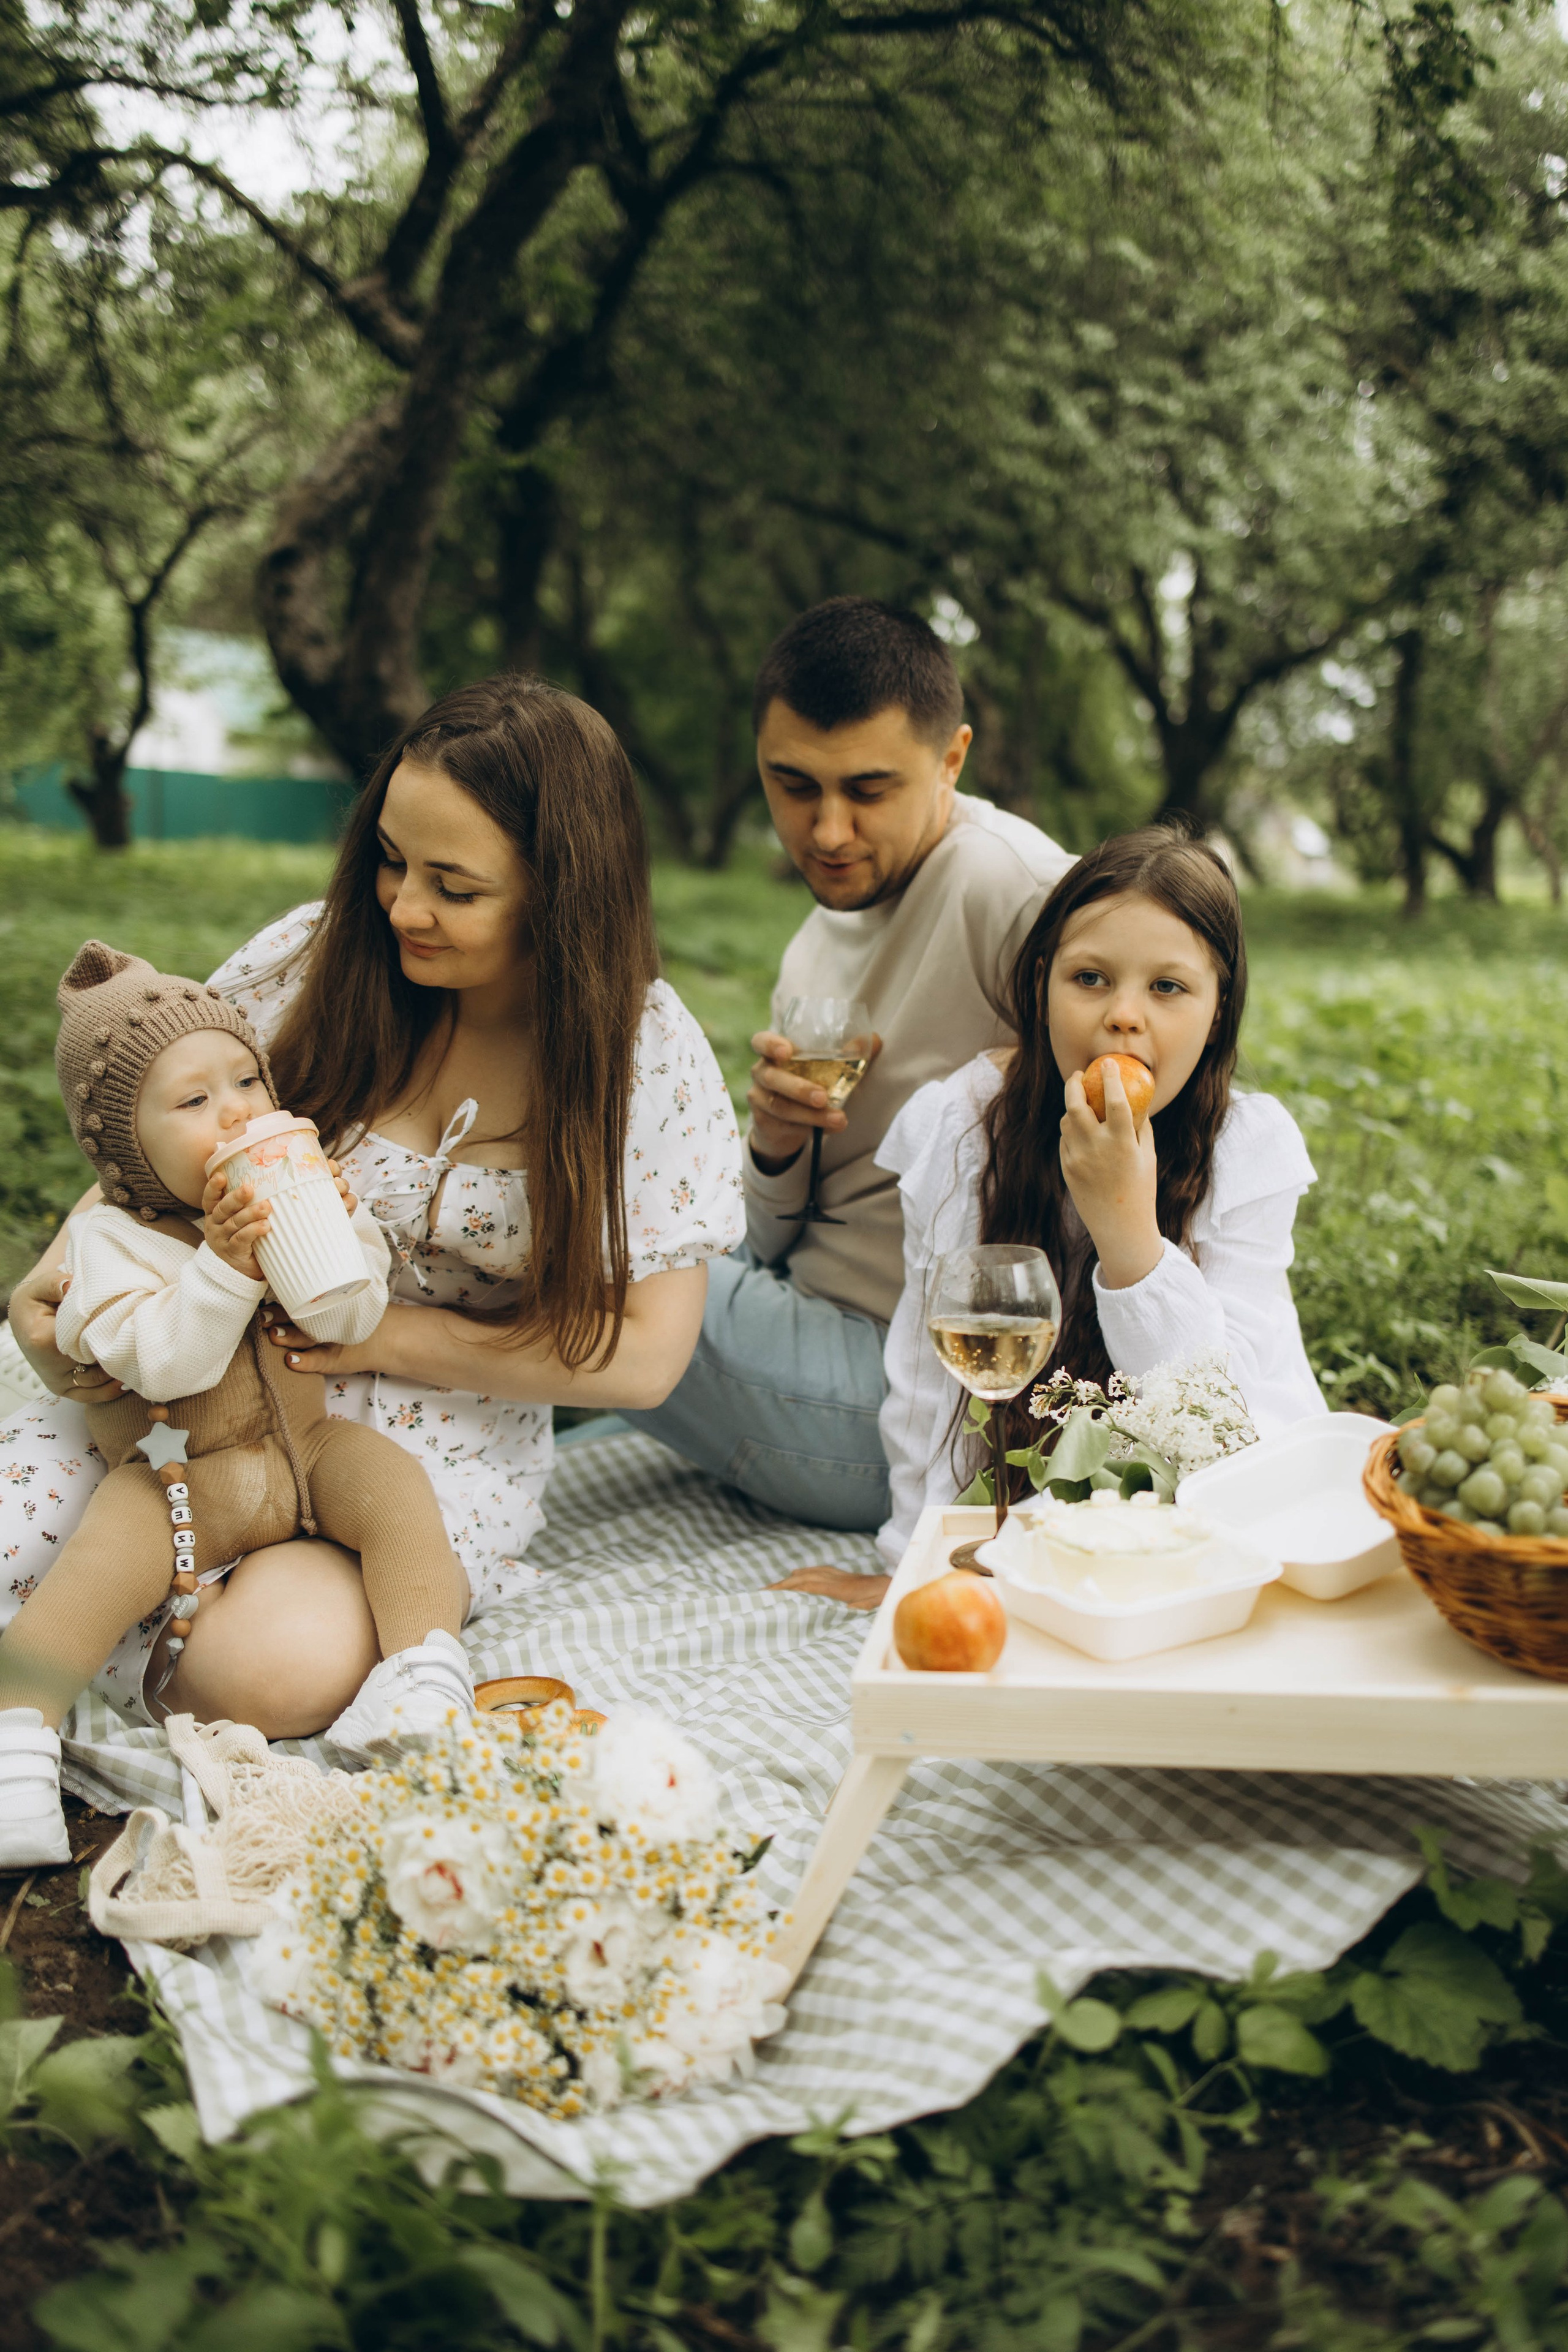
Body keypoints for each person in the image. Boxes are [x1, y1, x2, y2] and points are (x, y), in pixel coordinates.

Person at [1, 676, 744, 1746]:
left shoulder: (643, 1056)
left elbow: (644, 1359)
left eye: (454, 884)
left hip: (441, 1427)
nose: (400, 905)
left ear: (562, 891)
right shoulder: (312, 959)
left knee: (262, 1672)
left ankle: (135, 1647)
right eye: (391, 859)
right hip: (203, 1376)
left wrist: (382, 1334)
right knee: (21, 1523)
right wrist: (52, 1278)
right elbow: (153, 1132)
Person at [0, 941, 475, 1868]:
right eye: (193, 1102)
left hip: (307, 1453)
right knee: (96, 1569)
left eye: (247, 1080)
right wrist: (222, 1263)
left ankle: (422, 1678)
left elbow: (350, 1315)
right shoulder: (109, 1243)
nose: (237, 1112)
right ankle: (18, 1735)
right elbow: (162, 1363)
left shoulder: (276, 1195)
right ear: (125, 1147)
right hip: (182, 1477)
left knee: (396, 1487)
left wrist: (345, 1238)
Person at [624, 598, 1072, 1534]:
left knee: (559, 1235)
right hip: (802, 1304)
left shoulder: (1015, 890)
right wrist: (780, 1146)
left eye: (868, 792)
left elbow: (1172, 1126)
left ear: (952, 760)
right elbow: (773, 1241)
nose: (827, 832)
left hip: (924, 1393)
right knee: (609, 1200)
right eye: (793, 786)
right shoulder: (816, 941)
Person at [875, 827, 1326, 1567]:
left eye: (1167, 988)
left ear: (1217, 1011)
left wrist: (1130, 1239)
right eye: (1090, 979)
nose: (1123, 1014)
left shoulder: (1246, 1150)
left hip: (1200, 1527)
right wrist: (912, 1561)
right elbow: (928, 1388)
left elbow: (1220, 1433)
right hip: (1030, 1537)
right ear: (1044, 985)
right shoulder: (960, 1125)